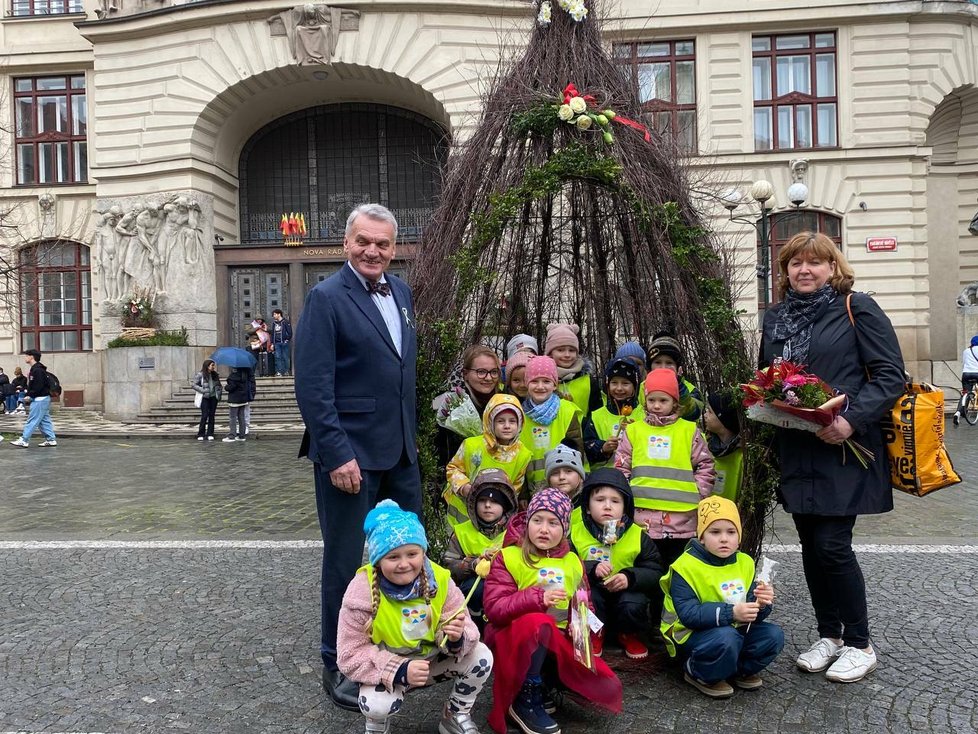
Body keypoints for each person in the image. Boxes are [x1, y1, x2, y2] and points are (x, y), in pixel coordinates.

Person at [759, 231, 904, 684]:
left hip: (842, 445)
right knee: (810, 547)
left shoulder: (855, 307)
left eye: (814, 263)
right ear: (785, 272)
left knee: (832, 546)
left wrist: (850, 420)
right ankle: (830, 636)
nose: (804, 270)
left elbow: (889, 375)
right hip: (796, 445)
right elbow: (769, 375)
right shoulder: (776, 317)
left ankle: (860, 643)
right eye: (795, 263)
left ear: (832, 267)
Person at [294, 203, 422, 712]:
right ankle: (339, 660)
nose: (373, 251)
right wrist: (336, 453)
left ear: (395, 248)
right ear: (347, 243)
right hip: (350, 456)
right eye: (364, 242)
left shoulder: (404, 292)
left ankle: (397, 644)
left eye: (383, 244)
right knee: (347, 561)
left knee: (407, 555)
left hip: (400, 452)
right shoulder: (326, 297)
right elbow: (314, 385)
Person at [337, 499, 493, 734]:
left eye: (412, 553)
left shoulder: (440, 579)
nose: (404, 564)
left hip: (431, 662)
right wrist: (399, 669)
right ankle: (377, 725)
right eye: (393, 557)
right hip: (388, 671)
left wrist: (455, 639)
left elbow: (469, 628)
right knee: (376, 706)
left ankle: (455, 714)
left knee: (482, 656)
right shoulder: (361, 590)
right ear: (377, 560)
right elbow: (349, 655)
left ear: (423, 552)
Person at [483, 489, 622, 734]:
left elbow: (583, 604)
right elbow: (495, 609)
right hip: (513, 639)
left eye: (553, 523)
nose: (544, 529)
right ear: (527, 523)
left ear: (565, 528)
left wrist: (583, 632)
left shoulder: (572, 562)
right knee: (539, 623)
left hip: (556, 641)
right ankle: (525, 695)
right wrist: (537, 597)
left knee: (605, 686)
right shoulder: (509, 557)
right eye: (537, 520)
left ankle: (546, 683)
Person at [660, 497, 784, 698]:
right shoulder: (685, 566)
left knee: (773, 636)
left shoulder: (745, 562)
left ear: (739, 536)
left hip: (731, 629)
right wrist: (733, 613)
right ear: (701, 537)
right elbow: (689, 614)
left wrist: (761, 603)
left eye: (731, 532)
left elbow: (753, 614)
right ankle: (698, 671)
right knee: (726, 638)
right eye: (715, 532)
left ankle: (736, 670)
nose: (724, 539)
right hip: (690, 635)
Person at [614, 369, 715, 568]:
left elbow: (705, 465)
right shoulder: (634, 430)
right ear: (645, 401)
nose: (657, 405)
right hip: (642, 518)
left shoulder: (688, 430)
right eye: (652, 400)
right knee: (648, 569)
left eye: (663, 400)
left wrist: (699, 493)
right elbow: (621, 467)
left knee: (678, 570)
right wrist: (624, 501)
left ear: (675, 402)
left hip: (682, 520)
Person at [568, 467, 664, 660]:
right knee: (586, 597)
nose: (607, 506)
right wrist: (591, 568)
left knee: (633, 602)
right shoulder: (576, 532)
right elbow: (564, 566)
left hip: (626, 594)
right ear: (587, 506)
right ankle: (593, 633)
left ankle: (629, 634)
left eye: (615, 501)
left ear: (625, 507)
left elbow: (655, 571)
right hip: (593, 590)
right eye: (600, 500)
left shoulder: (637, 535)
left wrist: (630, 577)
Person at [443, 469, 518, 625]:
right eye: (482, 500)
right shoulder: (461, 532)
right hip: (472, 597)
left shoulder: (517, 532)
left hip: (507, 593)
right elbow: (448, 567)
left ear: (506, 505)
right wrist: (472, 564)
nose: (488, 506)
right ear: (474, 503)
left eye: (495, 501)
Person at [445, 393, 531, 527]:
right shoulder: (471, 445)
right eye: (500, 421)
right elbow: (453, 468)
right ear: (490, 421)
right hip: (462, 511)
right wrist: (464, 487)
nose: (507, 426)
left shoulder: (523, 454)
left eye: (512, 421)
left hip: (494, 514)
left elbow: (515, 486)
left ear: (520, 424)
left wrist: (506, 510)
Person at [520, 356, 586, 493]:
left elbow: (577, 449)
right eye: (534, 381)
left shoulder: (567, 410)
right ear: (526, 383)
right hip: (533, 490)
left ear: (555, 384)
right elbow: (518, 457)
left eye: (546, 381)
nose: (540, 386)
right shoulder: (519, 414)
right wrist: (523, 493)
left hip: (566, 487)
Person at [435, 345, 502, 467]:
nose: (488, 378)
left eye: (494, 372)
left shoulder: (503, 401)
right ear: (465, 374)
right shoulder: (449, 403)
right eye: (481, 372)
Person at [583, 358, 643, 470]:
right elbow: (586, 446)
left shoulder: (644, 414)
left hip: (636, 475)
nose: (619, 388)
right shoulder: (597, 416)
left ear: (635, 386)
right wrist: (602, 448)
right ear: (607, 384)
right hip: (605, 478)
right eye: (614, 383)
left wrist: (635, 433)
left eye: (625, 383)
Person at [545, 323, 602, 418]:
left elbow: (597, 413)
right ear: (550, 353)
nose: (567, 355)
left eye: (572, 350)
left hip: (582, 431)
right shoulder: (542, 379)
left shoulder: (588, 380)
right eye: (560, 350)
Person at [645, 332, 704, 421]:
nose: (663, 367)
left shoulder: (690, 389)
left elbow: (693, 413)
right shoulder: (642, 388)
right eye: (657, 362)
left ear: (677, 367)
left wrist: (678, 386)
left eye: (669, 363)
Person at [9, 349, 57, 449]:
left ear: (31, 357)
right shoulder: (37, 369)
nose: (25, 357)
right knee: (44, 420)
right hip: (42, 398)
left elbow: (38, 386)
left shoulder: (37, 370)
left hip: (40, 399)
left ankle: (24, 440)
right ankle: (51, 439)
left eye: (26, 356)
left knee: (32, 419)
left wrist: (30, 395)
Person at [703, 393, 742, 502]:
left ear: (723, 420)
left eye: (710, 412)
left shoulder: (742, 456)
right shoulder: (701, 444)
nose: (705, 415)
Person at [192, 359, 222, 440]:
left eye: (213, 365)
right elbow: (194, 385)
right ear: (207, 366)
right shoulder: (200, 375)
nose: (213, 367)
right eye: (212, 365)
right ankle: (201, 434)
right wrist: (203, 390)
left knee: (212, 415)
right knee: (205, 415)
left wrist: (218, 393)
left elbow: (219, 385)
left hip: (213, 397)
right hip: (204, 397)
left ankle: (210, 433)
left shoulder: (215, 375)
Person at [953, 334, 978, 426]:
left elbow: (964, 363)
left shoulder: (966, 351)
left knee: (965, 393)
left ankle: (958, 413)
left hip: (966, 374)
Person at [222, 367, 249, 442]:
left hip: (234, 399)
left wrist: (226, 387)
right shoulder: (244, 375)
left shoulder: (233, 376)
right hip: (243, 398)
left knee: (232, 418)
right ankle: (242, 436)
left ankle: (232, 435)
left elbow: (231, 387)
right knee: (241, 417)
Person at [269, 308, 293, 376]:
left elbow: (290, 332)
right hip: (276, 343)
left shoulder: (285, 322)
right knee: (278, 357)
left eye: (275, 314)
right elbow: (273, 334)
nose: (274, 316)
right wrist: (272, 343)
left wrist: (287, 340)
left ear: (279, 314)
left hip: (284, 342)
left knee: (285, 357)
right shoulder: (274, 323)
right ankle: (279, 372)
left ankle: (286, 371)